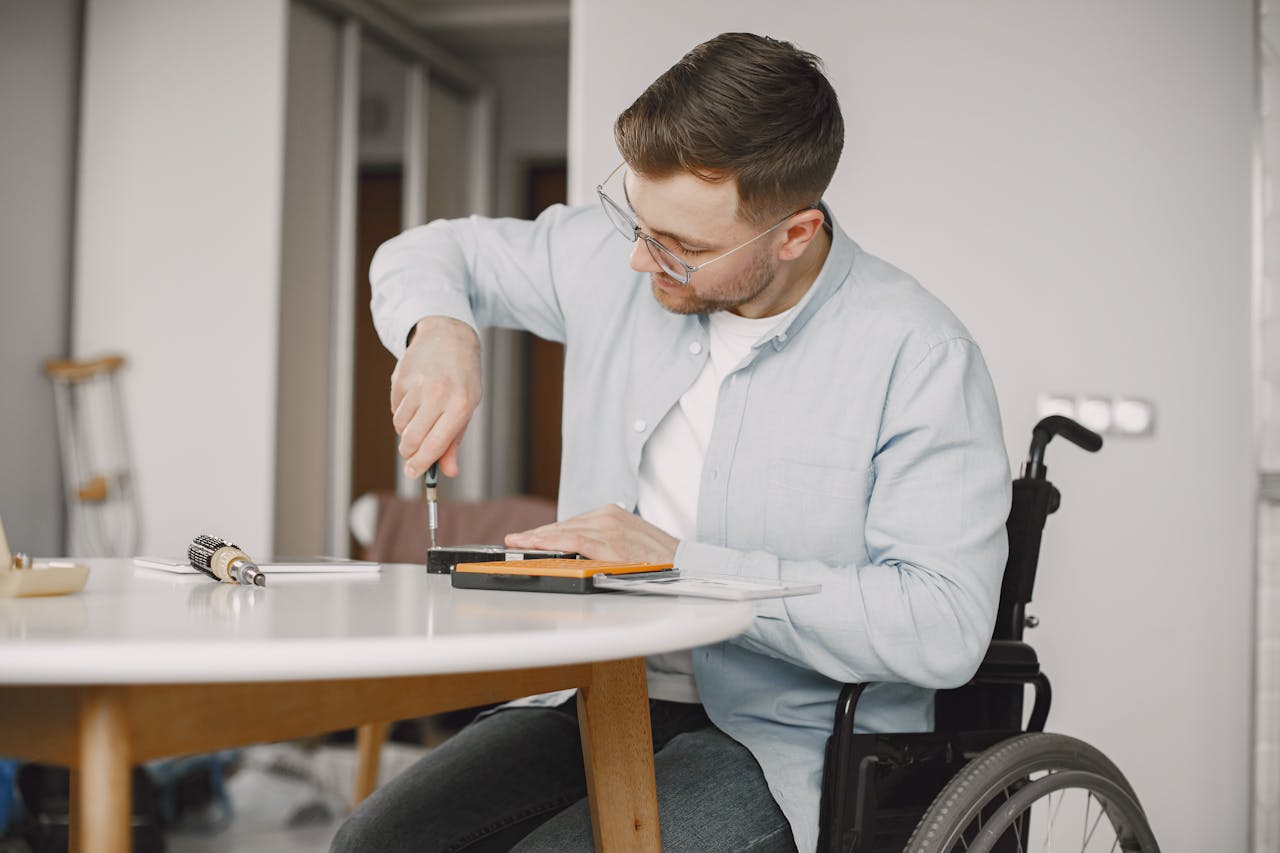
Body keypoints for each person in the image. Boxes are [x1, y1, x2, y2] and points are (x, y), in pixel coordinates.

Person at [332, 32, 1010, 853]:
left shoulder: (919, 355)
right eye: (636, 218)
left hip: (787, 737)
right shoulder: (619, 255)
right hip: (597, 690)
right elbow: (427, 251)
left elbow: (942, 624)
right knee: (372, 844)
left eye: (682, 247)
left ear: (793, 234)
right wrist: (439, 331)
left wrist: (676, 564)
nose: (636, 258)